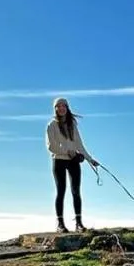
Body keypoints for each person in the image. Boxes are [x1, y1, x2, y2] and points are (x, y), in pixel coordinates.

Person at [46, 98, 98, 233]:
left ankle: (79, 223)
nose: (61, 108)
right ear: (55, 109)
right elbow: (51, 146)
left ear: (67, 108)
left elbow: (79, 144)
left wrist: (90, 159)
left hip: (73, 160)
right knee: (61, 191)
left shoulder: (72, 124)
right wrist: (67, 151)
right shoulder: (51, 125)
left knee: (76, 191)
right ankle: (60, 224)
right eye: (58, 106)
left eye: (63, 106)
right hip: (59, 160)